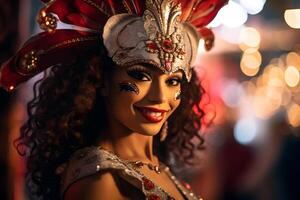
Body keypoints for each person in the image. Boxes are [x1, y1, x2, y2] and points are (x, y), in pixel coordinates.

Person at [0, 0, 227, 199]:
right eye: (140, 75)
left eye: (173, 81)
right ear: (102, 79)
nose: (160, 97)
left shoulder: (152, 164)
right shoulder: (101, 184)